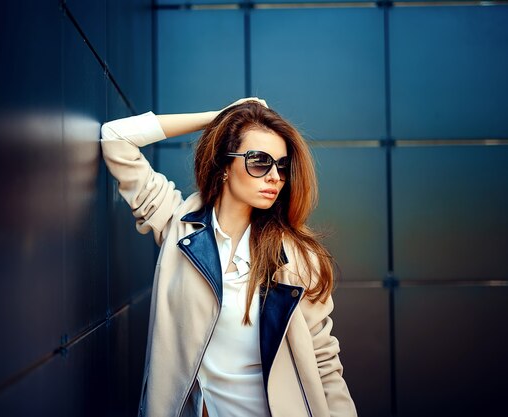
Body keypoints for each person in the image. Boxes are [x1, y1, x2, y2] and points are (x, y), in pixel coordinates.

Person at [101, 98, 357, 417]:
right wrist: (220, 118)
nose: (274, 176)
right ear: (224, 165)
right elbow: (116, 138)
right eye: (259, 161)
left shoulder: (298, 260)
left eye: (281, 165)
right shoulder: (177, 225)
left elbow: (326, 365)